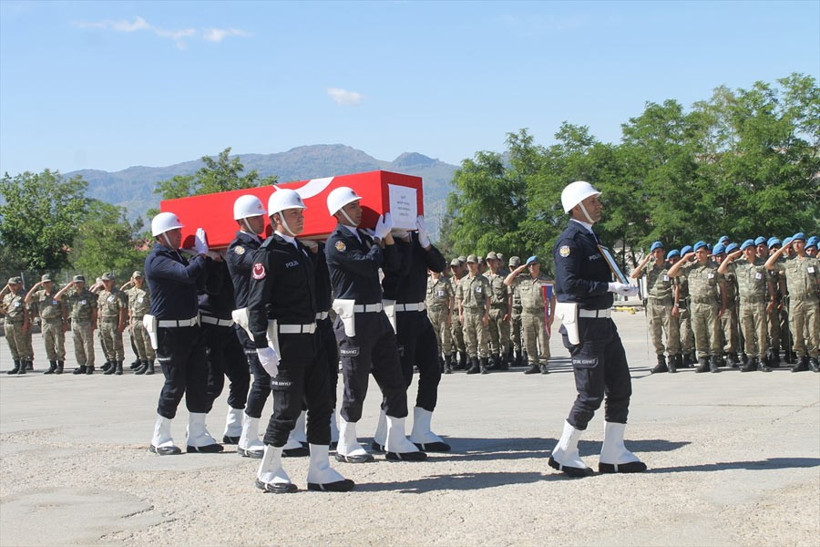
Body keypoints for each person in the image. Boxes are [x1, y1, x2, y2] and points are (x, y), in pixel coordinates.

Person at [247, 189, 353, 493]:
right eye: (295, 213)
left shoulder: (302, 252)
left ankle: (320, 469)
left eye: (302, 212)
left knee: (322, 403)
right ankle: (268, 470)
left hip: (314, 337)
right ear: (277, 218)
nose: (301, 216)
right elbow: (257, 303)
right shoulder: (269, 254)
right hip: (286, 340)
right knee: (287, 408)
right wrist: (260, 345)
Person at [548, 180, 646, 476]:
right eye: (592, 201)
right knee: (590, 393)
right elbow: (569, 284)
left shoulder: (592, 237)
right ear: (577, 208)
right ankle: (564, 451)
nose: (599, 205)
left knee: (620, 387)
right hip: (584, 323)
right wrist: (610, 286)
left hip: (603, 320)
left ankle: (613, 452)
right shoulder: (570, 242)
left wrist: (619, 286)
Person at [324, 186, 425, 463]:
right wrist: (378, 242)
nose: (359, 210)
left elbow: (397, 268)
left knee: (395, 378)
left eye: (358, 205)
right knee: (355, 382)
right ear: (339, 212)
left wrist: (389, 241)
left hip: (378, 316)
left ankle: (395, 439)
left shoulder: (367, 238)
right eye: (353, 206)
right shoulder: (338, 242)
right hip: (354, 320)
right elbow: (368, 266)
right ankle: (347, 441)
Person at [145, 211, 221, 455]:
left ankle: (197, 434)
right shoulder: (157, 259)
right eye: (176, 231)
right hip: (170, 331)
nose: (180, 235)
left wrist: (207, 260)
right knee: (174, 383)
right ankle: (160, 436)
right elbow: (187, 275)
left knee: (199, 381)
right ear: (163, 235)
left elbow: (199, 282)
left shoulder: (177, 256)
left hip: (191, 328)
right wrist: (200, 254)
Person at [376, 217, 450, 453]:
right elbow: (399, 269)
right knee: (401, 377)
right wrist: (403, 241)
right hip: (398, 315)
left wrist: (425, 243)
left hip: (419, 314)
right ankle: (383, 433)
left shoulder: (416, 243)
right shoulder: (388, 245)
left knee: (433, 369)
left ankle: (421, 430)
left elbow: (439, 265)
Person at [226, 195, 271, 459]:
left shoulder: (260, 243)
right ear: (242, 220)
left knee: (274, 378)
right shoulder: (238, 248)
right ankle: (247, 437)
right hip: (247, 320)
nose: (260, 220)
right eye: (256, 217)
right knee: (262, 378)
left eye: (262, 216)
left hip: (264, 318)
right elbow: (261, 261)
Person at [199, 249, 252, 446]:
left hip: (229, 326)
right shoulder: (203, 261)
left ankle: (234, 428)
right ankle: (196, 427)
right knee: (213, 383)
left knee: (241, 377)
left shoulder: (234, 259)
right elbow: (211, 287)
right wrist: (213, 261)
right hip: (209, 327)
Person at [668, 241, 728, 373]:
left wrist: (723, 305)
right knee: (698, 332)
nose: (699, 255)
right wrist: (684, 259)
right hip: (695, 304)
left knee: (713, 332)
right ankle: (703, 360)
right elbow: (671, 273)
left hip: (711, 303)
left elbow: (723, 287)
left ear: (707, 253)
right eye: (697, 253)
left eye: (702, 252)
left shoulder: (714, 267)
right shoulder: (690, 267)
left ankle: (713, 359)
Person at [764, 233, 820, 372]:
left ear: (805, 244)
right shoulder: (788, 262)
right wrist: (782, 249)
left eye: (799, 242)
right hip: (795, 300)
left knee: (813, 330)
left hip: (811, 299)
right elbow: (768, 264)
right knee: (796, 330)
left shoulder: (813, 262)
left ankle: (813, 358)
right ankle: (801, 358)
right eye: (794, 243)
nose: (796, 245)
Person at [718, 240, 774, 373]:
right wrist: (731, 256)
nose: (747, 252)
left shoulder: (762, 265)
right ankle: (751, 359)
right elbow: (721, 270)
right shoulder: (738, 264)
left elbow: (770, 282)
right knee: (747, 331)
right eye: (745, 250)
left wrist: (771, 299)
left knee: (761, 331)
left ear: (754, 250)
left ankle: (762, 358)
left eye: (750, 249)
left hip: (759, 302)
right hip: (744, 303)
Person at [631, 242, 680, 373]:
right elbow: (634, 275)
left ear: (663, 252)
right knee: (655, 334)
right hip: (652, 303)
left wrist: (676, 304)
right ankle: (660, 360)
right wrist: (644, 261)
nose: (656, 254)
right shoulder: (649, 267)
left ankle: (671, 360)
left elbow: (676, 287)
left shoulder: (669, 267)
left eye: (659, 251)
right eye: (654, 252)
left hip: (666, 302)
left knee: (671, 332)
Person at [505, 255, 555, 374]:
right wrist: (519, 269)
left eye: (534, 264)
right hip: (526, 313)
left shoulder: (545, 279)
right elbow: (507, 282)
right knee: (528, 340)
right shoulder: (522, 279)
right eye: (529, 265)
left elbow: (552, 298)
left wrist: (551, 315)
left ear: (539, 265)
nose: (532, 267)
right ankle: (533, 363)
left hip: (541, 313)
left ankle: (543, 363)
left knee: (543, 339)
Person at [24, 274, 68, 374]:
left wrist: (65, 322)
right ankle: (52, 364)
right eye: (44, 283)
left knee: (59, 343)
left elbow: (64, 308)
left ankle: (60, 364)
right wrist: (35, 287)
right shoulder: (40, 294)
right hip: (45, 322)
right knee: (48, 344)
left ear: (52, 283)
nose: (47, 285)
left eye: (48, 282)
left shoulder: (57, 293)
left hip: (56, 321)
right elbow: (27, 300)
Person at [456, 255, 492, 374]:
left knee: (482, 338)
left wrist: (486, 314)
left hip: (479, 312)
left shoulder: (483, 280)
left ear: (477, 264)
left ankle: (483, 364)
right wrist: (460, 314)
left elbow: (488, 298)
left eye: (472, 263)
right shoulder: (462, 281)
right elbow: (459, 298)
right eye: (468, 264)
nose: (470, 265)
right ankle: (474, 364)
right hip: (467, 312)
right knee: (469, 339)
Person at [56, 276, 98, 374]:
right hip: (75, 322)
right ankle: (82, 364)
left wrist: (94, 322)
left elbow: (94, 310)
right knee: (77, 345)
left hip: (86, 322)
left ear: (83, 283)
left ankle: (90, 365)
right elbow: (57, 297)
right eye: (76, 283)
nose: (78, 285)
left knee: (88, 345)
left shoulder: (89, 295)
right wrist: (67, 287)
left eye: (79, 283)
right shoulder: (71, 294)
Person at [123, 271, 156, 375]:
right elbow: (130, 307)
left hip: (145, 318)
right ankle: (143, 362)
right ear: (132, 279)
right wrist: (131, 322)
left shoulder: (147, 291)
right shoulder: (131, 292)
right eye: (136, 278)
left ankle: (150, 364)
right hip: (135, 319)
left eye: (139, 278)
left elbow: (153, 305)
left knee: (147, 343)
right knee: (138, 343)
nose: (138, 280)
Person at [96, 273, 128, 375]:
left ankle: (119, 365)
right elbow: (100, 309)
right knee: (108, 344)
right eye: (104, 281)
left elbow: (122, 309)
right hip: (104, 322)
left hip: (114, 321)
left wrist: (122, 323)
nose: (105, 283)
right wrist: (100, 323)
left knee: (117, 344)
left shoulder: (118, 294)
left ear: (112, 281)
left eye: (107, 281)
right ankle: (112, 364)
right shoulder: (102, 294)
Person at [485, 252, 511, 370]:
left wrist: (509, 312)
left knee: (503, 336)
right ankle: (495, 359)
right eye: (488, 261)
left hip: (501, 309)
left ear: (498, 262)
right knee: (492, 336)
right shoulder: (484, 277)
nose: (491, 263)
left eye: (493, 260)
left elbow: (509, 295)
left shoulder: (505, 276)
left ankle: (505, 359)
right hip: (489, 310)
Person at [426, 267, 455, 374]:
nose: (434, 270)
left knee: (445, 337)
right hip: (430, 313)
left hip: (442, 312)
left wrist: (450, 314)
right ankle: (438, 363)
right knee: (434, 339)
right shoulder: (426, 282)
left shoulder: (445, 281)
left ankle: (447, 364)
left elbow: (452, 298)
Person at [2, 277, 30, 375]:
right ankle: (16, 364)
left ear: (18, 285)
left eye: (14, 285)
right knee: (11, 344)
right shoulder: (7, 296)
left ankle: (23, 365)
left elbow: (26, 311)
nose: (12, 287)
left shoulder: (22, 296)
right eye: (10, 285)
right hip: (8, 322)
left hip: (18, 323)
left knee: (20, 344)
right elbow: (3, 306)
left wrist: (25, 324)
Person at [448, 257, 468, 370]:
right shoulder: (449, 281)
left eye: (456, 267)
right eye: (452, 267)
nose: (454, 269)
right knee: (457, 337)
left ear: (461, 267)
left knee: (468, 337)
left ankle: (471, 360)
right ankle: (462, 360)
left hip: (466, 312)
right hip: (454, 312)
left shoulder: (466, 280)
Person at [507, 256, 525, 366]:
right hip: (513, 310)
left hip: (523, 309)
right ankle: (517, 356)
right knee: (514, 335)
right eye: (511, 267)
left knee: (525, 335)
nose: (513, 269)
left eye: (515, 267)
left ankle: (526, 356)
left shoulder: (525, 278)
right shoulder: (509, 279)